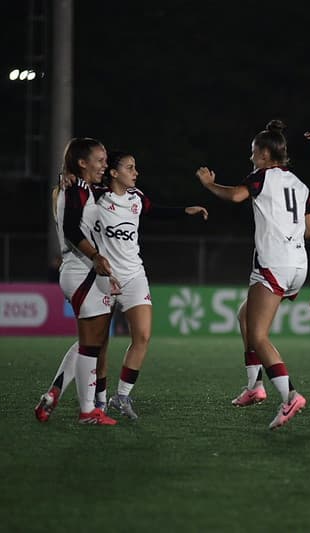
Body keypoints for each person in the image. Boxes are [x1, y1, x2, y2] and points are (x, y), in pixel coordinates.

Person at [196, 120, 310, 430]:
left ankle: (290, 395)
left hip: (274, 264)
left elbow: (236, 196)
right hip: (298, 264)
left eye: (254, 152)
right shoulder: (301, 185)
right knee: (244, 316)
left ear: (265, 154)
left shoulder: (261, 177)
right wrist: (288, 235)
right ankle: (254, 386)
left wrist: (209, 185)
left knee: (258, 336)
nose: (251, 157)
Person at [92, 150, 208, 419]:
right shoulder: (97, 197)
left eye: (135, 167)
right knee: (100, 344)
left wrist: (184, 211)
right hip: (103, 277)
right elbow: (71, 201)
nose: (136, 172)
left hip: (134, 275)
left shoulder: (137, 197)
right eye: (130, 168)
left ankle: (122, 396)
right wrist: (64, 179)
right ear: (113, 173)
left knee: (143, 336)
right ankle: (99, 399)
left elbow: (155, 211)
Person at [34, 137, 117, 426]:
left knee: (91, 341)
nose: (104, 165)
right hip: (82, 271)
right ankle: (87, 411)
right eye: (100, 160)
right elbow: (71, 229)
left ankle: (55, 393)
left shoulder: (79, 188)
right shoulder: (75, 190)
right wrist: (96, 256)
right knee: (91, 346)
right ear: (82, 163)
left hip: (83, 271)